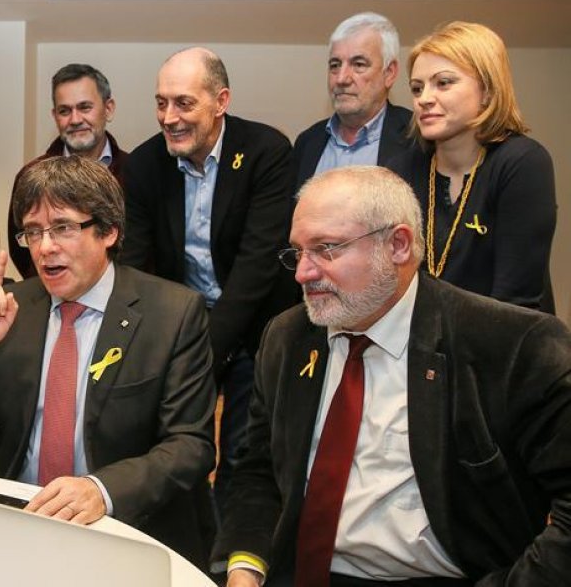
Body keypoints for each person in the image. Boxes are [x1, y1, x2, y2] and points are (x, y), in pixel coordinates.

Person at [215, 165, 571, 587]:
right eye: (297, 252)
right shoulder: (288, 337)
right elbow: (258, 469)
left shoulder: (510, 345)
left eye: (326, 249)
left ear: (398, 245)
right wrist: (244, 566)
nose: (302, 273)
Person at [0, 156, 217, 568]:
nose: (45, 248)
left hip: (124, 532)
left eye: (62, 227)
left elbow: (191, 445)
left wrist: (101, 490)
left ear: (108, 231)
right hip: (19, 524)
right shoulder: (14, 307)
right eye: (33, 232)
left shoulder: (172, 312)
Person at [122, 46, 295, 511]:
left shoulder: (268, 152)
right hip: (181, 323)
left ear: (221, 101)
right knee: (175, 445)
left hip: (256, 323)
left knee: (243, 451)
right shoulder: (142, 165)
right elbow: (136, 267)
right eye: (161, 102)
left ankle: (230, 557)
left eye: (184, 103)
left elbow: (259, 265)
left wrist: (206, 355)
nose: (169, 117)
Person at [389, 21, 556, 312]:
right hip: (425, 349)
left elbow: (515, 302)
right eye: (417, 88)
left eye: (443, 83)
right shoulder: (401, 169)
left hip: (507, 346)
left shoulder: (522, 163)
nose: (424, 99)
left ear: (488, 91)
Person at [8, 63, 129, 278]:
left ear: (108, 109)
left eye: (85, 107)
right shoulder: (30, 176)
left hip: (124, 304)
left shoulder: (135, 172)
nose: (75, 119)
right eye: (65, 111)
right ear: (55, 116)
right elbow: (21, 248)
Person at [292, 12, 412, 192]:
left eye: (359, 64)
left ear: (389, 73)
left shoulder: (416, 138)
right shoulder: (308, 142)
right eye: (335, 65)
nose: (341, 79)